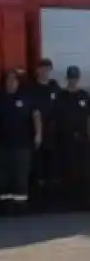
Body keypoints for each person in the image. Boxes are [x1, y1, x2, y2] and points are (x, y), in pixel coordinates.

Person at [0, 69, 41, 213]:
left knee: (20, 176)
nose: (11, 82)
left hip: (22, 144)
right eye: (8, 79)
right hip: (2, 145)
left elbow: (35, 115)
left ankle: (20, 206)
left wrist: (38, 133)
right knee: (4, 176)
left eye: (14, 80)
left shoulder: (25, 98)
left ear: (18, 82)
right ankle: (5, 205)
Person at [54, 66, 90, 210]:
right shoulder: (61, 96)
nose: (73, 80)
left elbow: (89, 117)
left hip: (82, 138)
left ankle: (83, 202)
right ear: (67, 79)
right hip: (65, 138)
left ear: (78, 78)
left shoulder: (84, 95)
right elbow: (56, 117)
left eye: (75, 78)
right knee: (67, 169)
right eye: (71, 78)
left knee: (83, 170)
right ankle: (67, 203)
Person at [26, 58, 60, 210]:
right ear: (37, 70)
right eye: (42, 68)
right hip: (37, 134)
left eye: (48, 68)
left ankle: (50, 202)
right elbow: (34, 112)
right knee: (37, 169)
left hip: (53, 134)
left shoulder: (54, 86)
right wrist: (37, 133)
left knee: (51, 169)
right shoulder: (32, 88)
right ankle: (36, 203)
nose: (45, 71)